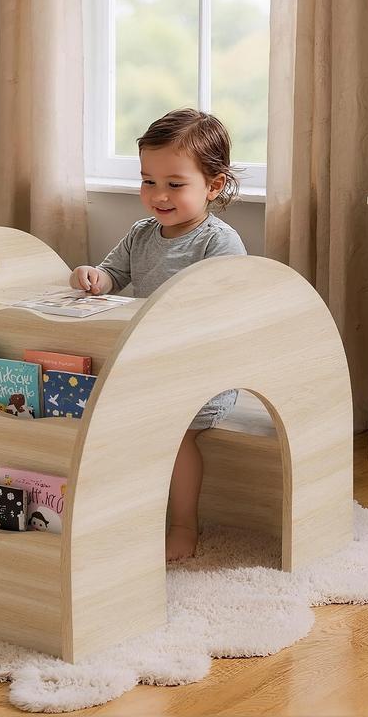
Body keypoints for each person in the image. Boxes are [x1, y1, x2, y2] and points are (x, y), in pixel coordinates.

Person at [69, 108, 247, 561]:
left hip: (201, 373)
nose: (159, 195)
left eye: (175, 184)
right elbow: (113, 275)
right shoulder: (142, 233)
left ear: (214, 186)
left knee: (174, 433)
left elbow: (222, 315)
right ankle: (119, 514)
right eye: (149, 181)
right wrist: (93, 277)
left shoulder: (218, 243)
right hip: (148, 364)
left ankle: (184, 524)